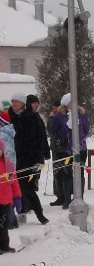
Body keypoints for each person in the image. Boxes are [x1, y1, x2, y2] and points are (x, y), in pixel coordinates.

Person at [8, 93, 50, 225]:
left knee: (29, 188)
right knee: (16, 188)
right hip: (14, 160)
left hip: (31, 159)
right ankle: (20, 213)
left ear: (23, 104)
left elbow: (40, 138)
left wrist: (40, 158)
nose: (14, 104)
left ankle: (39, 214)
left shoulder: (32, 117)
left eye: (17, 101)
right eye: (13, 101)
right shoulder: (9, 117)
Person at [0, 138, 22, 254]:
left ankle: (4, 246)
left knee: (4, 226)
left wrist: (17, 197)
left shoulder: (7, 163)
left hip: (6, 200)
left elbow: (14, 182)